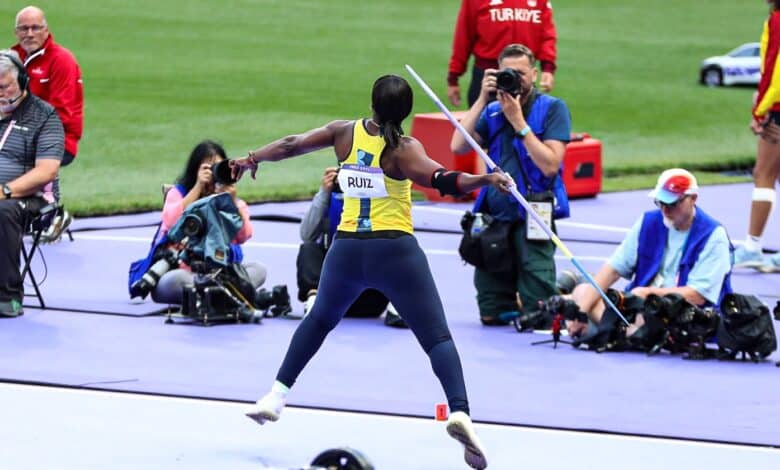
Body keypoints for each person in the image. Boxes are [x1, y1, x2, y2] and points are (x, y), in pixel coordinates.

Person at [233, 74, 513, 470]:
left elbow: (291, 145)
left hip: (346, 250)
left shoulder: (343, 134)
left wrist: (251, 159)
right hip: (395, 251)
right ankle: (460, 411)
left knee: (318, 321)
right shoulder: (405, 150)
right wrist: (488, 178)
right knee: (437, 338)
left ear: (372, 105)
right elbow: (444, 182)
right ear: (407, 111)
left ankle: (275, 396)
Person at [451, 43, 571, 326]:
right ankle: (513, 298)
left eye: (520, 73)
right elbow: (457, 146)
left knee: (539, 315)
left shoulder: (553, 109)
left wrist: (519, 123)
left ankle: (563, 293)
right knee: (492, 313)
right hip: (496, 213)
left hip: (533, 210)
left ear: (534, 73)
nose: (514, 78)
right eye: (507, 72)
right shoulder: (492, 111)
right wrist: (481, 99)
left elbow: (551, 164)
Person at [565, 169, 734, 339]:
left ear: (693, 199)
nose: (665, 209)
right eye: (660, 202)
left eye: (673, 203)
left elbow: (697, 296)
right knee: (582, 291)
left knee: (635, 313)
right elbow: (613, 269)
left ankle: (618, 332)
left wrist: (648, 294)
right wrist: (580, 313)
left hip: (681, 314)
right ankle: (623, 333)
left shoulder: (713, 236)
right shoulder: (648, 222)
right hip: (638, 306)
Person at [148, 140, 267, 305]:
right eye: (208, 168)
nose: (213, 174)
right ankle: (226, 297)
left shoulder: (230, 201)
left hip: (222, 273)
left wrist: (231, 203)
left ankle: (211, 296)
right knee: (173, 281)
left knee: (259, 269)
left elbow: (244, 235)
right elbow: (171, 225)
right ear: (195, 170)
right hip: (187, 272)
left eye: (218, 167)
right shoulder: (179, 194)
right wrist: (198, 187)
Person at [296, 166, 406, 327]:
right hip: (331, 299)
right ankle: (314, 300)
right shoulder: (332, 196)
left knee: (401, 250)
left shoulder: (381, 196)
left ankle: (398, 307)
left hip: (370, 297)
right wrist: (323, 193)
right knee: (308, 249)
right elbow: (306, 235)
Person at [11, 6, 83, 242]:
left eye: (35, 28)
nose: (29, 33)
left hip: (60, 138)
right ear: (16, 32)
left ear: (46, 30)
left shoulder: (62, 61)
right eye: (24, 28)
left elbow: (60, 115)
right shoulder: (10, 60)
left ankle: (52, 212)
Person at [0, 49, 63, 317]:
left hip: (34, 199)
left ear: (23, 82)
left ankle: (8, 296)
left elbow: (46, 171)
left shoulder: (45, 117)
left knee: (2, 211)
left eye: (4, 87)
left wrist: (5, 190)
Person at [734, 0, 780, 273]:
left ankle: (752, 246)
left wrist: (759, 110)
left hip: (777, 110)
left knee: (763, 173)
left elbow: (775, 73)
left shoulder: (777, 21)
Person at [447, 0, 557, 108]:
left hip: (523, 77)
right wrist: (453, 77)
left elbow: (547, 33)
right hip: (488, 76)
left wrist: (548, 67)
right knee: (481, 124)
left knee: (526, 124)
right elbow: (464, 35)